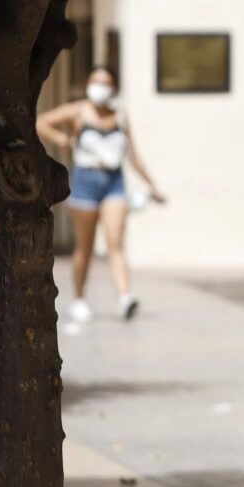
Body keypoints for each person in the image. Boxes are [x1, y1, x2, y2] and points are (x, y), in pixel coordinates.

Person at [37, 66, 166, 322]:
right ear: (87, 84)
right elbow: (41, 122)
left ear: (113, 88)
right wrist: (61, 140)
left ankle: (125, 296)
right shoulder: (78, 111)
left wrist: (153, 186)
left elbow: (133, 154)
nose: (100, 87)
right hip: (85, 181)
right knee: (84, 247)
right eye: (95, 81)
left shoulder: (119, 115)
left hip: (114, 181)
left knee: (115, 242)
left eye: (105, 83)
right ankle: (79, 298)